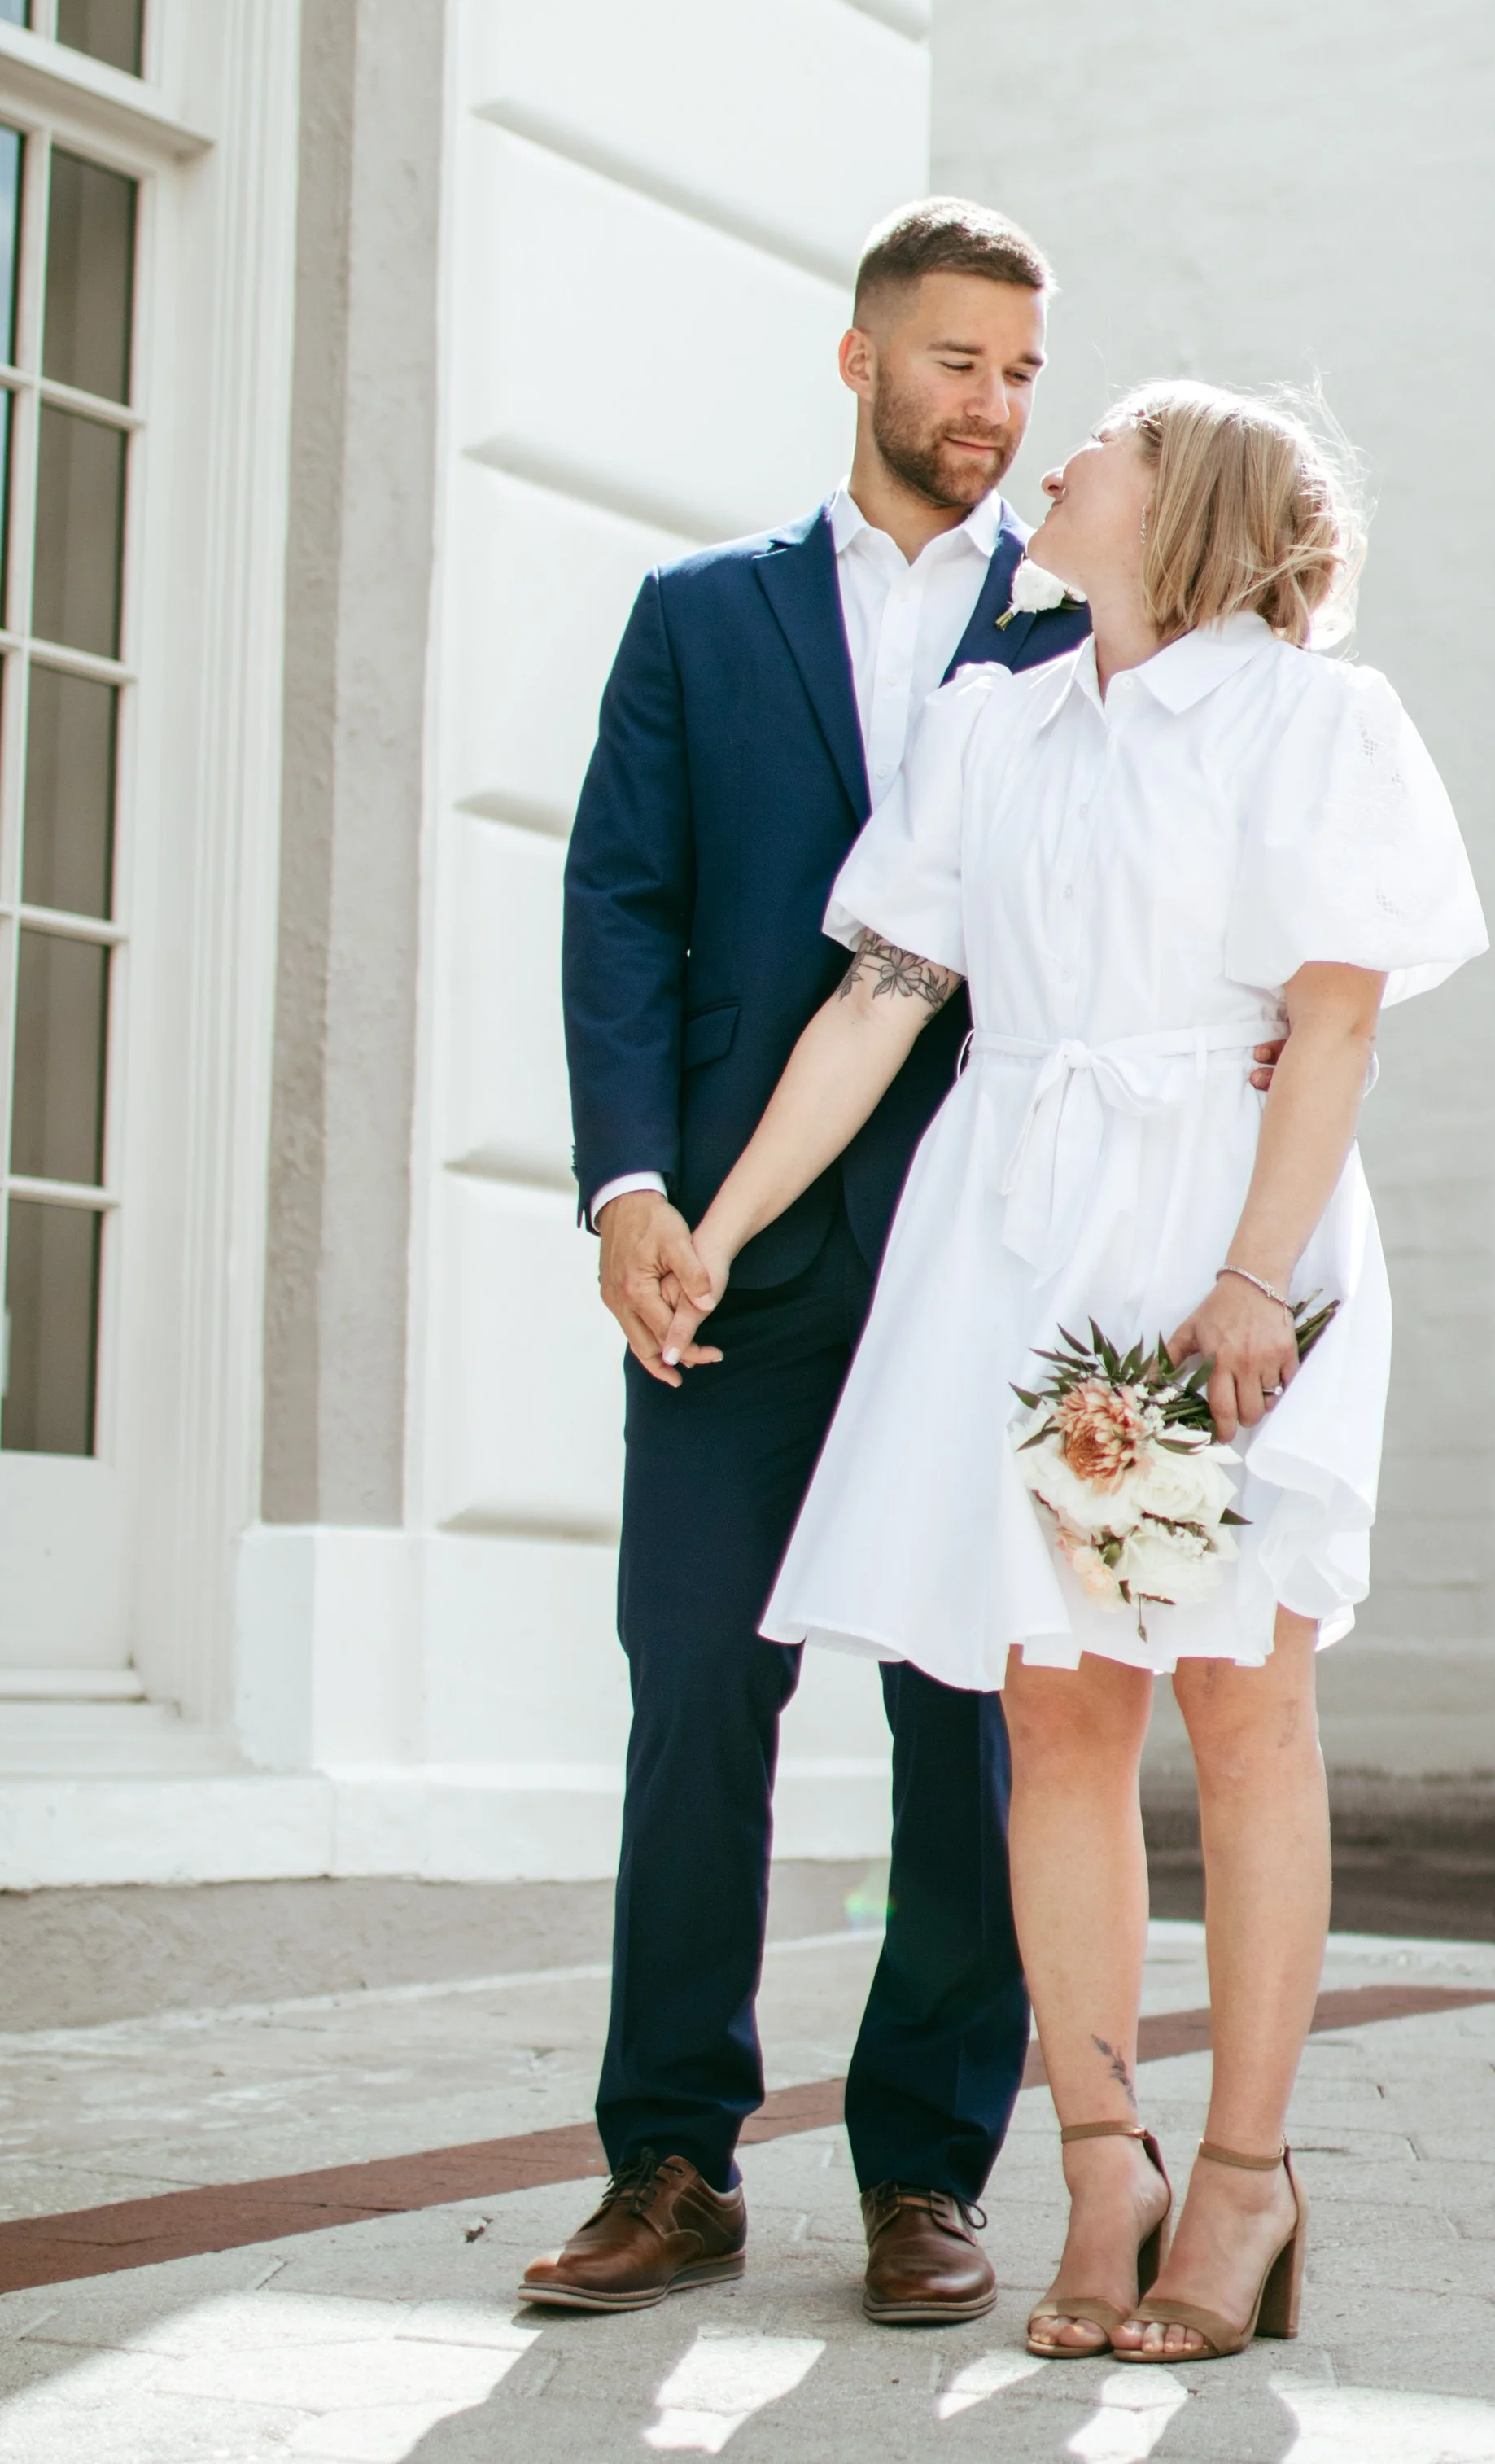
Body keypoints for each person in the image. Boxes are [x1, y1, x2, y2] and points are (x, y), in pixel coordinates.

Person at [664, 381, 1488, 2362]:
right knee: (1055, 1714)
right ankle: (1103, 2160)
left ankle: (1244, 2178)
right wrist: (727, 1220)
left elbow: (1335, 1024)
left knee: (1235, 1696)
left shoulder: (1310, 720)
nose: (1053, 468)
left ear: (1186, 503)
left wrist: (1245, 1277)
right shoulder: (992, 719)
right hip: (1016, 1245)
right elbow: (885, 996)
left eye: (1094, 444)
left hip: (1198, 1240)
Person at [526, 200, 1107, 2326]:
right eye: (959, 359)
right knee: (696, 1683)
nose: (994, 403)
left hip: (985, 1247)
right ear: (858, 359)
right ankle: (668, 2156)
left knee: (964, 1703)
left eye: (1023, 369)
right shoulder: (696, 617)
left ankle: (925, 2171)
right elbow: (620, 914)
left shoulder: (1080, 622)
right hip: (729, 1254)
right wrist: (630, 1190)